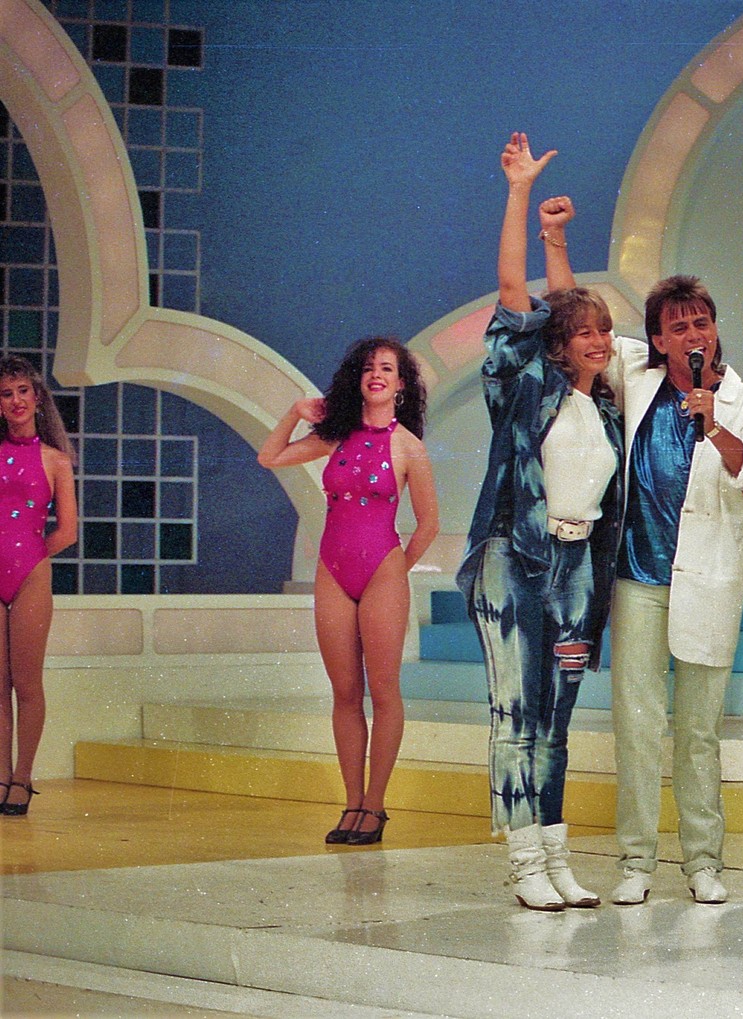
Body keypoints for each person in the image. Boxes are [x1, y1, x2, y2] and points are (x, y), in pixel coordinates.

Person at [455, 134, 623, 911]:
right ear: (557, 344)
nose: (598, 339)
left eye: (604, 331)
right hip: (516, 562)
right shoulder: (524, 388)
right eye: (584, 332)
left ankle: (556, 856)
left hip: (576, 570)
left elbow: (567, 308)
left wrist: (563, 245)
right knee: (517, 715)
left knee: (558, 718)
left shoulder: (604, 410)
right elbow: (518, 297)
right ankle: (524, 860)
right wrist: (520, 194)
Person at [605, 273, 743, 906]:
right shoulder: (636, 378)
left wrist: (713, 425)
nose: (693, 335)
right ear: (658, 340)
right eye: (678, 327)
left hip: (708, 581)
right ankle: (636, 861)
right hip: (638, 578)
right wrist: (556, 243)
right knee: (637, 724)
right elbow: (583, 327)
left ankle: (704, 861)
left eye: (701, 323)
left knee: (699, 730)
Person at [259, 335, 439, 846]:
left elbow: (428, 523)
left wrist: (396, 570)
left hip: (383, 572)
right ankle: (352, 803)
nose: (376, 375)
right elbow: (270, 457)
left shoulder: (409, 446)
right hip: (332, 572)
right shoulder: (335, 436)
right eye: (368, 368)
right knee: (344, 693)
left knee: (383, 691)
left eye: (387, 368)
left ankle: (376, 806)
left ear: (401, 384)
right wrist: (295, 412)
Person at [0, 357, 77, 817]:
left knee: (26, 683)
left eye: (23, 391)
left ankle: (23, 778)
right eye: (6, 393)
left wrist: (30, 556)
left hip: (30, 575)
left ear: (37, 397)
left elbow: (67, 531)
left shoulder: (56, 460)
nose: (16, 400)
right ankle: (0, 775)